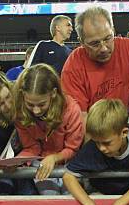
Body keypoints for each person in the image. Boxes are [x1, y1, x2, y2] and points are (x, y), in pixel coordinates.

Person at [14, 64, 84, 195]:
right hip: (39, 163)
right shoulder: (20, 112)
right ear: (22, 94)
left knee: (69, 197)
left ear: (53, 93)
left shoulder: (71, 109)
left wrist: (54, 158)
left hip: (69, 163)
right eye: (30, 104)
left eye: (41, 104)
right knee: (49, 195)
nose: (36, 110)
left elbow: (73, 149)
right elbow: (31, 147)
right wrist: (17, 161)